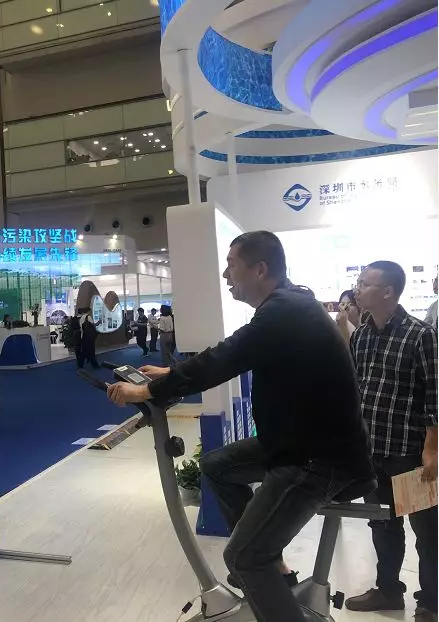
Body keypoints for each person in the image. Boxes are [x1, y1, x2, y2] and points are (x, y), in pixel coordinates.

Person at [106, 231, 374, 622]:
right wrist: (170, 375)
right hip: (297, 441)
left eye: (231, 265)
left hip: (318, 457)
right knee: (217, 465)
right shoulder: (291, 304)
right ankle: (275, 569)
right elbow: (232, 353)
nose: (225, 275)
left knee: (244, 557)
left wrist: (148, 390)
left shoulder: (285, 310)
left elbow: (226, 357)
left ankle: (262, 565)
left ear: (260, 269)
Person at [345, 261, 437, 621]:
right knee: (382, 524)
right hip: (373, 451)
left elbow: (435, 396)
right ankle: (388, 591)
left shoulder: (420, 335)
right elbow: (357, 389)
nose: (358, 288)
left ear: (388, 291)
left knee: (426, 532)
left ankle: (430, 602)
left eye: (365, 283)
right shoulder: (362, 336)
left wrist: (432, 448)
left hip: (408, 454)